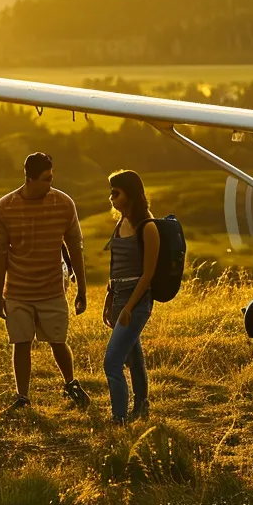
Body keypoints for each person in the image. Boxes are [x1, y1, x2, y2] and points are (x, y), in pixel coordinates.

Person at [0, 152, 91, 412]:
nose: (50, 183)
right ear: (29, 178)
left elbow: (75, 247)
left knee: (58, 341)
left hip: (52, 289)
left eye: (51, 177)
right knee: (21, 343)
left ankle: (71, 384)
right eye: (45, 179)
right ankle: (22, 397)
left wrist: (82, 288)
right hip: (18, 290)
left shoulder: (64, 203)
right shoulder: (5, 206)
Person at [101, 170, 159, 424]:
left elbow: (148, 275)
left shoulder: (148, 228)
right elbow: (116, 267)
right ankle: (141, 406)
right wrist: (110, 301)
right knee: (133, 357)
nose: (111, 198)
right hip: (119, 298)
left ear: (130, 194)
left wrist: (129, 308)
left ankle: (119, 418)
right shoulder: (120, 223)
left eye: (116, 193)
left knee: (112, 361)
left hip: (137, 301)